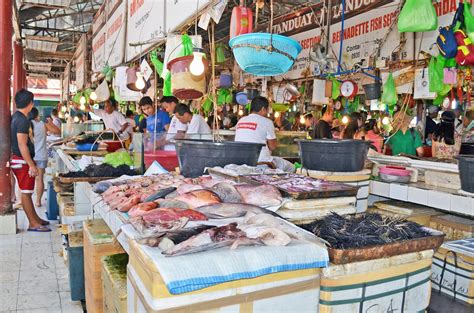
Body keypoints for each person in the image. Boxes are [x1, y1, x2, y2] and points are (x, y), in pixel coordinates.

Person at [11, 89, 50, 232]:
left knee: (27, 191)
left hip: (20, 159)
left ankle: (35, 219)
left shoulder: (17, 117)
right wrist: (31, 165)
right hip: (22, 161)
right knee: (26, 193)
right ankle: (33, 223)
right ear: (30, 103)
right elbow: (22, 145)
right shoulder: (22, 121)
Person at [235, 96, 294, 171]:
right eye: (267, 110)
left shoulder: (241, 121)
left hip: (242, 161)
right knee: (291, 167)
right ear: (263, 109)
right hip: (262, 162)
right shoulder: (267, 122)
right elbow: (273, 147)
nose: (267, 112)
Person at [28, 107, 57, 207]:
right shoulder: (43, 124)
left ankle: (26, 201)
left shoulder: (26, 125)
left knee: (28, 179)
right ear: (37, 115)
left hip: (29, 156)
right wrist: (50, 122)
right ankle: (38, 201)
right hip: (41, 155)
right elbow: (58, 131)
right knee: (39, 179)